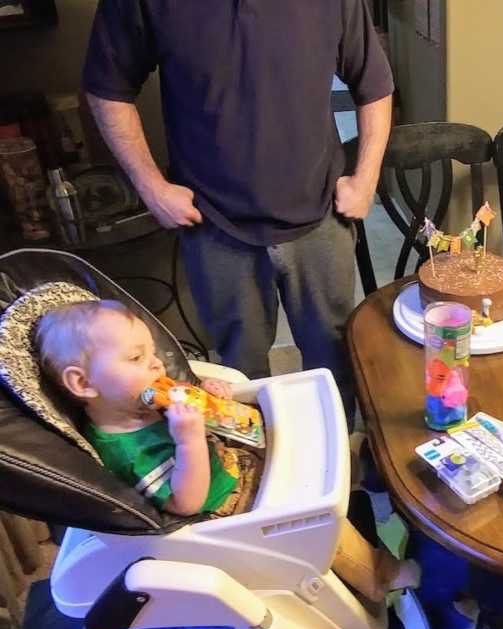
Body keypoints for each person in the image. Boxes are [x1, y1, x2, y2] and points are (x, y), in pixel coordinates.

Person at [81, 1, 395, 420]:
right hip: (214, 223)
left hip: (319, 215)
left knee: (333, 355)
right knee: (236, 371)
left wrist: (366, 177)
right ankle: (257, 462)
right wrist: (151, 187)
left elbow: (374, 86)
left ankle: (337, 462)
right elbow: (107, 88)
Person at [35, 300, 420, 603]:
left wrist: (208, 393)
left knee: (307, 437)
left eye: (151, 352)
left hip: (236, 458)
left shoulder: (135, 401)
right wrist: (188, 439)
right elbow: (187, 501)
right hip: (229, 507)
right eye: (136, 358)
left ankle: (351, 473)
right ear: (83, 383)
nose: (155, 363)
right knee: (317, 526)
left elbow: (200, 397)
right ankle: (381, 575)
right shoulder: (125, 451)